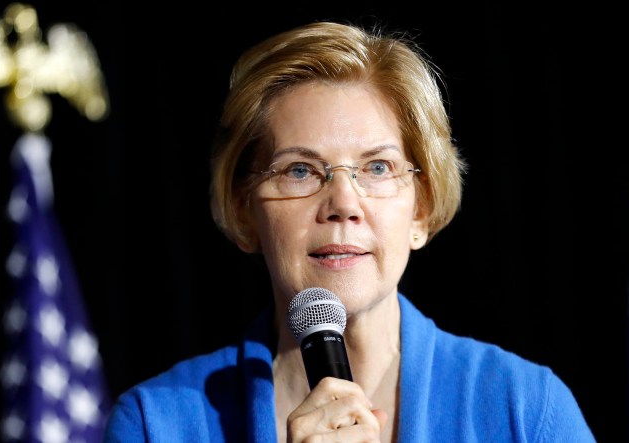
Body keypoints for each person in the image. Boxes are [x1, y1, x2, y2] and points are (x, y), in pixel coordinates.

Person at [103, 20, 596, 442]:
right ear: (244, 211)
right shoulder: (156, 422)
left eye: (378, 168)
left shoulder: (527, 410)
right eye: (299, 170)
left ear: (420, 210)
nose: (343, 204)